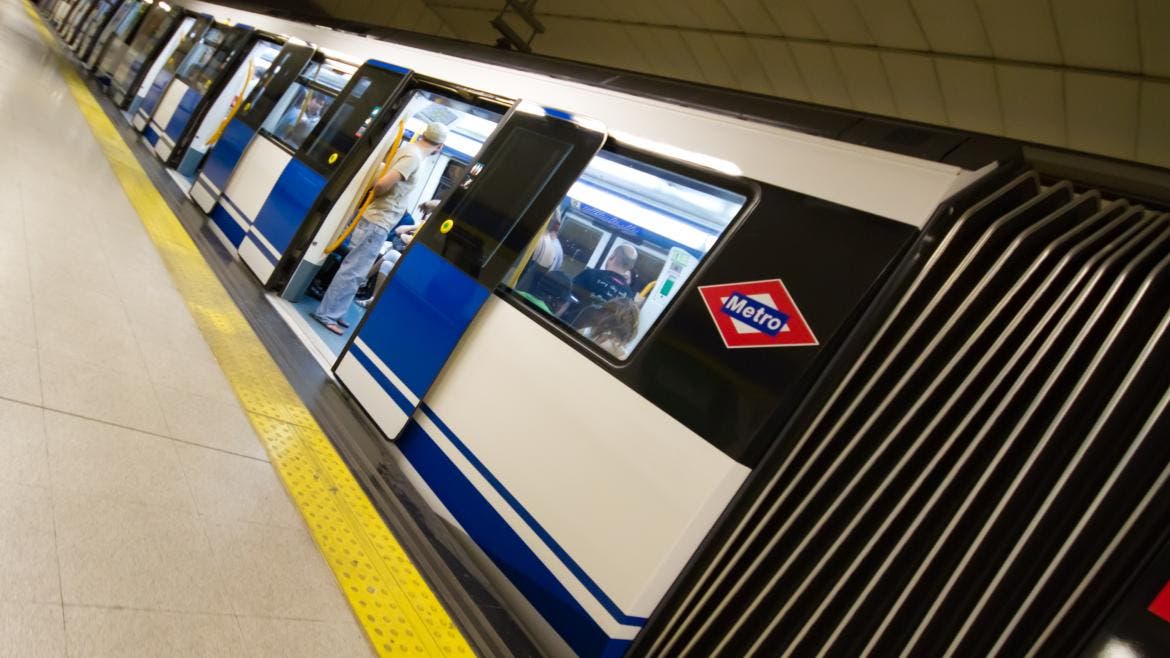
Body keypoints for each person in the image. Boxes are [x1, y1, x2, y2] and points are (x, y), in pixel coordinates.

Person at [311, 122, 448, 334]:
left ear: (423, 135)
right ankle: (327, 314)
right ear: (440, 146)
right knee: (354, 270)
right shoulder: (413, 158)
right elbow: (382, 185)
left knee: (358, 270)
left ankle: (336, 312)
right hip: (379, 220)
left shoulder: (409, 150)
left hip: (380, 220)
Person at [571, 243, 638, 305]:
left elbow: (568, 295)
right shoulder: (629, 297)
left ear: (612, 256)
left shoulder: (590, 274)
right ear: (630, 267)